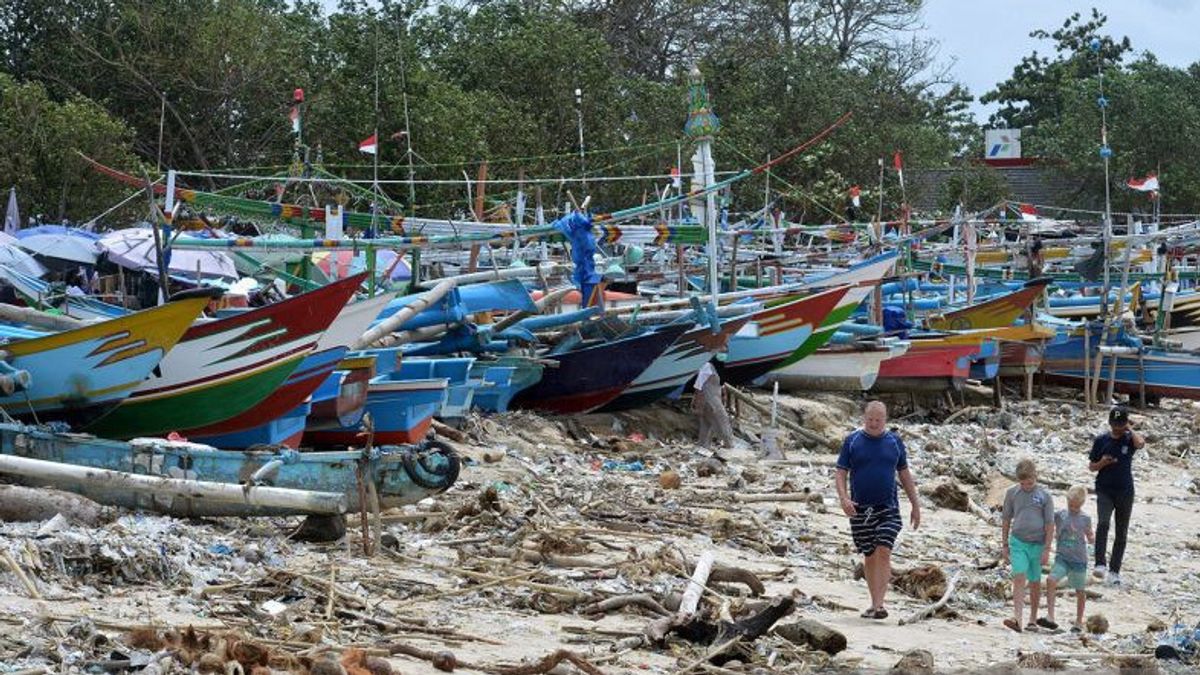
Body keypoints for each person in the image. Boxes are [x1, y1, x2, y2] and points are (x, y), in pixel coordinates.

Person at [835, 400, 921, 620]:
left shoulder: (894, 442)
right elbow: (841, 472)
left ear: (885, 419)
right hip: (859, 509)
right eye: (870, 420)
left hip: (888, 507)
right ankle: (874, 605)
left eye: (878, 420)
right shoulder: (852, 441)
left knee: (884, 549)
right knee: (870, 555)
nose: (874, 424)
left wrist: (915, 505)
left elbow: (904, 474)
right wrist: (844, 499)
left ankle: (881, 605)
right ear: (864, 418)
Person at [1089, 406, 1143, 586]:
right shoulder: (1101, 440)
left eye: (1120, 425)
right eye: (1114, 425)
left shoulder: (1129, 440)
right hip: (1105, 489)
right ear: (1110, 423)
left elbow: (1141, 444)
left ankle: (1114, 570)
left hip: (1125, 491)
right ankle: (1100, 563)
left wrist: (1130, 429)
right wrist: (1103, 463)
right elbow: (1092, 466)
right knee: (1103, 523)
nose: (1117, 429)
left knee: (1122, 531)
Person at [1001, 458, 1054, 633]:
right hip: (1018, 542)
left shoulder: (1045, 496)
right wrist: (1004, 544)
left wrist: (1047, 548)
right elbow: (1006, 519)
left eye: (1029, 483)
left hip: (1037, 544)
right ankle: (1017, 617)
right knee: (1019, 576)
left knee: (1035, 581)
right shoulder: (1011, 493)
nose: (1026, 486)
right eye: (1022, 483)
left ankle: (1032, 618)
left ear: (1035, 477)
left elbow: (1049, 524)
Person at [1042, 485, 1094, 632]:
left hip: (1078, 560)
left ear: (1082, 504)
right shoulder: (1061, 515)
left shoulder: (1085, 518)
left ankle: (1078, 621)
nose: (1073, 508)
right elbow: (1048, 521)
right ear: (1067, 501)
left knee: (1080, 590)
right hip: (1062, 557)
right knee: (1051, 580)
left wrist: (1091, 537)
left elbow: (1089, 534)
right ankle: (1050, 616)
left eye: (1076, 507)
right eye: (1071, 505)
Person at [692, 362, 733, 448]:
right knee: (723, 422)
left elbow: (720, 387)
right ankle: (730, 447)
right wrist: (698, 404)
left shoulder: (718, 369)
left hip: (714, 400)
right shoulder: (707, 366)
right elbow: (699, 386)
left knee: (706, 425)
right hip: (710, 401)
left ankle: (703, 447)